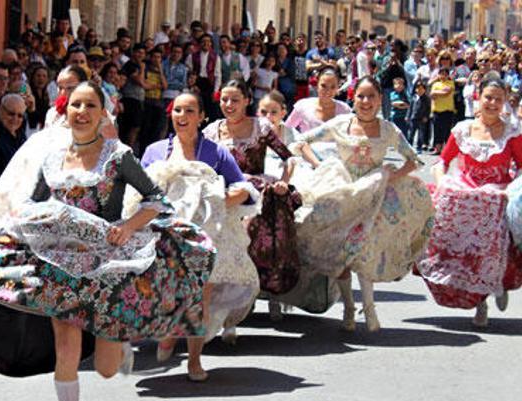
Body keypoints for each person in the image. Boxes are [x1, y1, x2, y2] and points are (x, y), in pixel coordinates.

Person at [0, 82, 215, 401]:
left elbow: (156, 201)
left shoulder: (119, 156)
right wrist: (47, 220)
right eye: (75, 104)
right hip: (61, 265)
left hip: (107, 268)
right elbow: (29, 203)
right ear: (66, 111)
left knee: (106, 367)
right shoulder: (51, 159)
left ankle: (118, 338)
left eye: (90, 105)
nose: (81, 111)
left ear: (104, 113)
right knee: (66, 345)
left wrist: (129, 226)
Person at [290, 76, 434, 332]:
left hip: (374, 198)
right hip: (344, 195)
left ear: (380, 100)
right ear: (353, 98)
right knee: (342, 255)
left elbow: (414, 160)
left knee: (363, 252)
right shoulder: (340, 124)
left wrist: (391, 177)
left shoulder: (389, 130)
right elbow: (300, 142)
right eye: (361, 96)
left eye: (371, 97)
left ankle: (369, 308)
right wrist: (319, 164)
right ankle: (348, 306)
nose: (365, 102)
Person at [142, 92, 257, 380]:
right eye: (177, 110)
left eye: (189, 110)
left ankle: (194, 360)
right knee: (167, 293)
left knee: (198, 297)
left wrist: (216, 202)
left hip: (204, 238)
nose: (182, 115)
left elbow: (242, 188)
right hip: (164, 236)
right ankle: (168, 331)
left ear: (201, 116)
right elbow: (139, 193)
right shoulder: (155, 151)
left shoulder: (216, 153)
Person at [418, 76, 522, 327]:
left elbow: (521, 167)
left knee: (489, 236)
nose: (493, 103)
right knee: (451, 237)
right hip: (466, 191)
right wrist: (443, 183)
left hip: (496, 193)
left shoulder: (512, 132)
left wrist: (512, 189)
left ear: (505, 102)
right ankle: (478, 299)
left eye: (499, 99)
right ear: (478, 97)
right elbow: (442, 162)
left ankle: (489, 291)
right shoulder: (463, 129)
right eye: (488, 97)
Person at [203, 79, 300, 326]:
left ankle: (271, 290)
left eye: (235, 99)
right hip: (224, 193)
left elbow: (289, 158)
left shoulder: (262, 127)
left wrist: (283, 183)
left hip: (257, 193)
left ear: (247, 101)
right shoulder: (211, 131)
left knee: (259, 228)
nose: (229, 104)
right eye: (224, 99)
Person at [0, 94, 28, 184]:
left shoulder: (21, 135)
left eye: (20, 116)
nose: (15, 119)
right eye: (11, 114)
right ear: (0, 110)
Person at [138, 47, 168, 152]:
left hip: (158, 103)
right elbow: (144, 85)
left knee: (156, 131)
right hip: (147, 101)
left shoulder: (161, 71)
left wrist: (160, 70)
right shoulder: (145, 68)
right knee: (145, 130)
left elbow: (164, 86)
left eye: (159, 57)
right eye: (154, 57)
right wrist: (156, 86)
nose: (156, 59)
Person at [185, 35, 221, 119]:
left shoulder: (216, 57)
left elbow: (218, 75)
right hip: (197, 83)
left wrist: (215, 91)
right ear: (200, 43)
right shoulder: (192, 56)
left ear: (211, 44)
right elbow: (188, 72)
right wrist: (192, 85)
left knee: (209, 110)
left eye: (208, 41)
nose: (206, 43)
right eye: (203, 41)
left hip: (209, 84)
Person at [430, 67, 455, 154]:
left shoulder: (450, 83)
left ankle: (447, 150)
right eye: (441, 74)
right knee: (437, 131)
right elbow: (432, 95)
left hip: (447, 111)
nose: (443, 76)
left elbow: (446, 93)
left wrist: (437, 92)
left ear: (448, 75)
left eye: (445, 74)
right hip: (437, 110)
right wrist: (438, 92)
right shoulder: (435, 84)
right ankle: (437, 149)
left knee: (446, 131)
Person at [408, 80, 432, 152]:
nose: (419, 90)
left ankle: (419, 147)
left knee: (420, 134)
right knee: (411, 133)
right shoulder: (414, 98)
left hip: (422, 119)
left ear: (425, 90)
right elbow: (410, 108)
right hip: (413, 118)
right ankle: (409, 146)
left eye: (421, 89)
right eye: (418, 88)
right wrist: (408, 116)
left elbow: (428, 109)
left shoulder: (427, 99)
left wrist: (426, 117)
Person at [26, 64, 51, 132]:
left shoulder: (47, 95)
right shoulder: (26, 89)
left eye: (44, 76)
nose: (41, 78)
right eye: (38, 75)